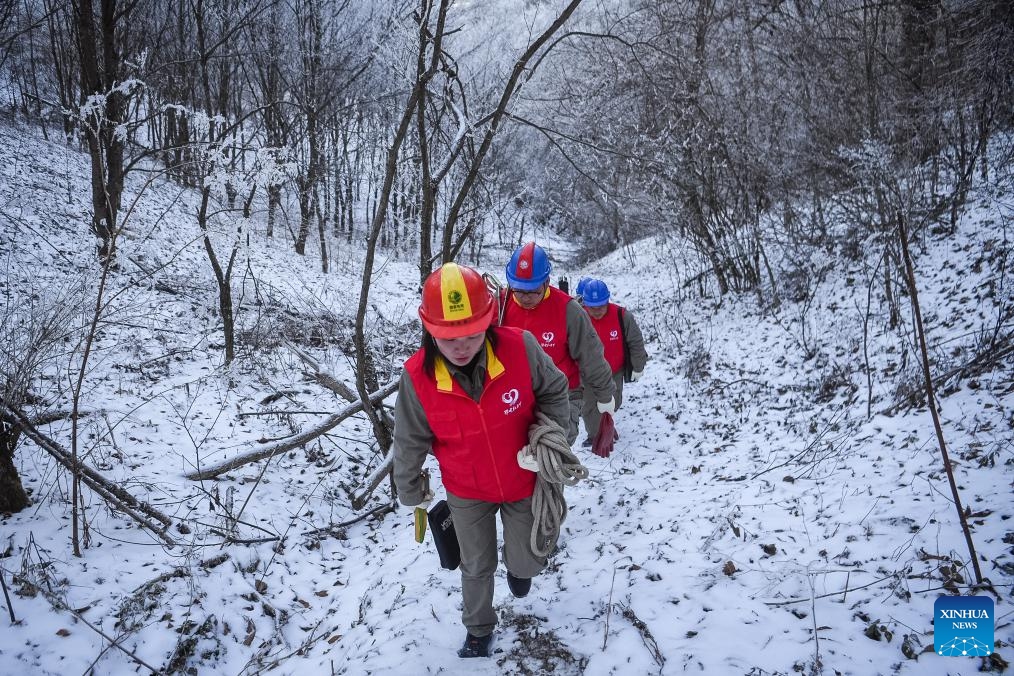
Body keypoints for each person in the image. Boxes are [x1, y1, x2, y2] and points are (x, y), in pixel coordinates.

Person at [392, 262, 571, 659]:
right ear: (429, 330)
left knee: (527, 559)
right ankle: (478, 628)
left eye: (471, 333)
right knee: (476, 565)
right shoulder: (417, 379)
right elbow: (409, 439)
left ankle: (520, 570)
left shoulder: (520, 348)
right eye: (448, 337)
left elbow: (556, 391)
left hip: (524, 478)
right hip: (467, 490)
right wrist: (409, 489)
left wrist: (554, 440)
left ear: (488, 321)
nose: (461, 346)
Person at [499, 242, 615, 445]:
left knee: (552, 454)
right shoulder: (499, 307)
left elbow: (591, 357)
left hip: (563, 396)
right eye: (519, 290)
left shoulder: (568, 311)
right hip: (514, 397)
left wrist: (604, 394)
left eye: (533, 291)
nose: (525, 298)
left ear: (546, 282)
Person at [579, 279, 649, 443]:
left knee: (613, 402)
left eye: (601, 307)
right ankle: (596, 436)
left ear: (607, 301)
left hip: (613, 371)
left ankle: (605, 423)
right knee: (589, 405)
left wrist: (638, 365)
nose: (596, 312)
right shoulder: (578, 317)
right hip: (586, 372)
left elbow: (636, 341)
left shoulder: (622, 316)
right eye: (592, 308)